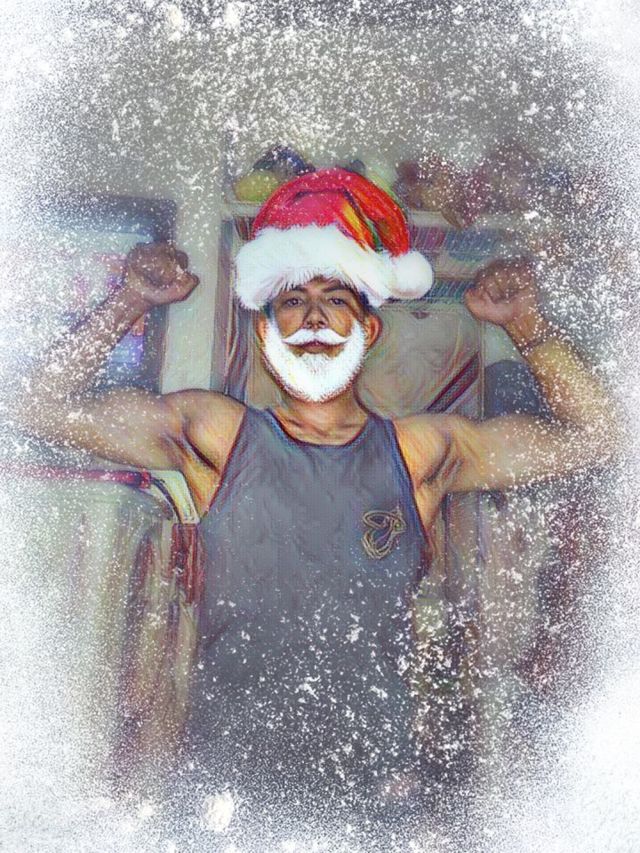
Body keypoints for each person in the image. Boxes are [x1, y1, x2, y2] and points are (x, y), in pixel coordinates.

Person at [11, 168, 622, 839]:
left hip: (373, 803)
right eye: (292, 302)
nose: (313, 319)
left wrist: (526, 325)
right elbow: (36, 407)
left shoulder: (421, 451)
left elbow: (599, 437)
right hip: (227, 799)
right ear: (265, 332)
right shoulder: (217, 433)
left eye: (335, 300)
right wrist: (128, 300)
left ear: (369, 328)